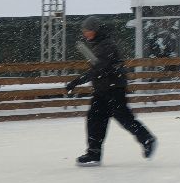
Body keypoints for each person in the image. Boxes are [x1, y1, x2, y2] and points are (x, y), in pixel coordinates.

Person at [65, 16, 156, 166]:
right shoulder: (99, 44)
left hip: (114, 89)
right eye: (84, 31)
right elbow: (98, 69)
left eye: (87, 30)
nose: (85, 33)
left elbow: (98, 69)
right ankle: (94, 153)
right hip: (103, 89)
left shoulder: (106, 45)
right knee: (94, 119)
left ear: (95, 30)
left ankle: (147, 139)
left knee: (124, 118)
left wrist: (76, 81)